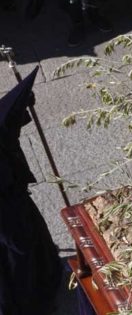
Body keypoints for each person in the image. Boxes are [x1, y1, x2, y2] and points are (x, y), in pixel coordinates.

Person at [0, 67, 63, 315]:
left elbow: (6, 124)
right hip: (8, 214)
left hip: (14, 202)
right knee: (18, 260)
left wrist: (22, 103)